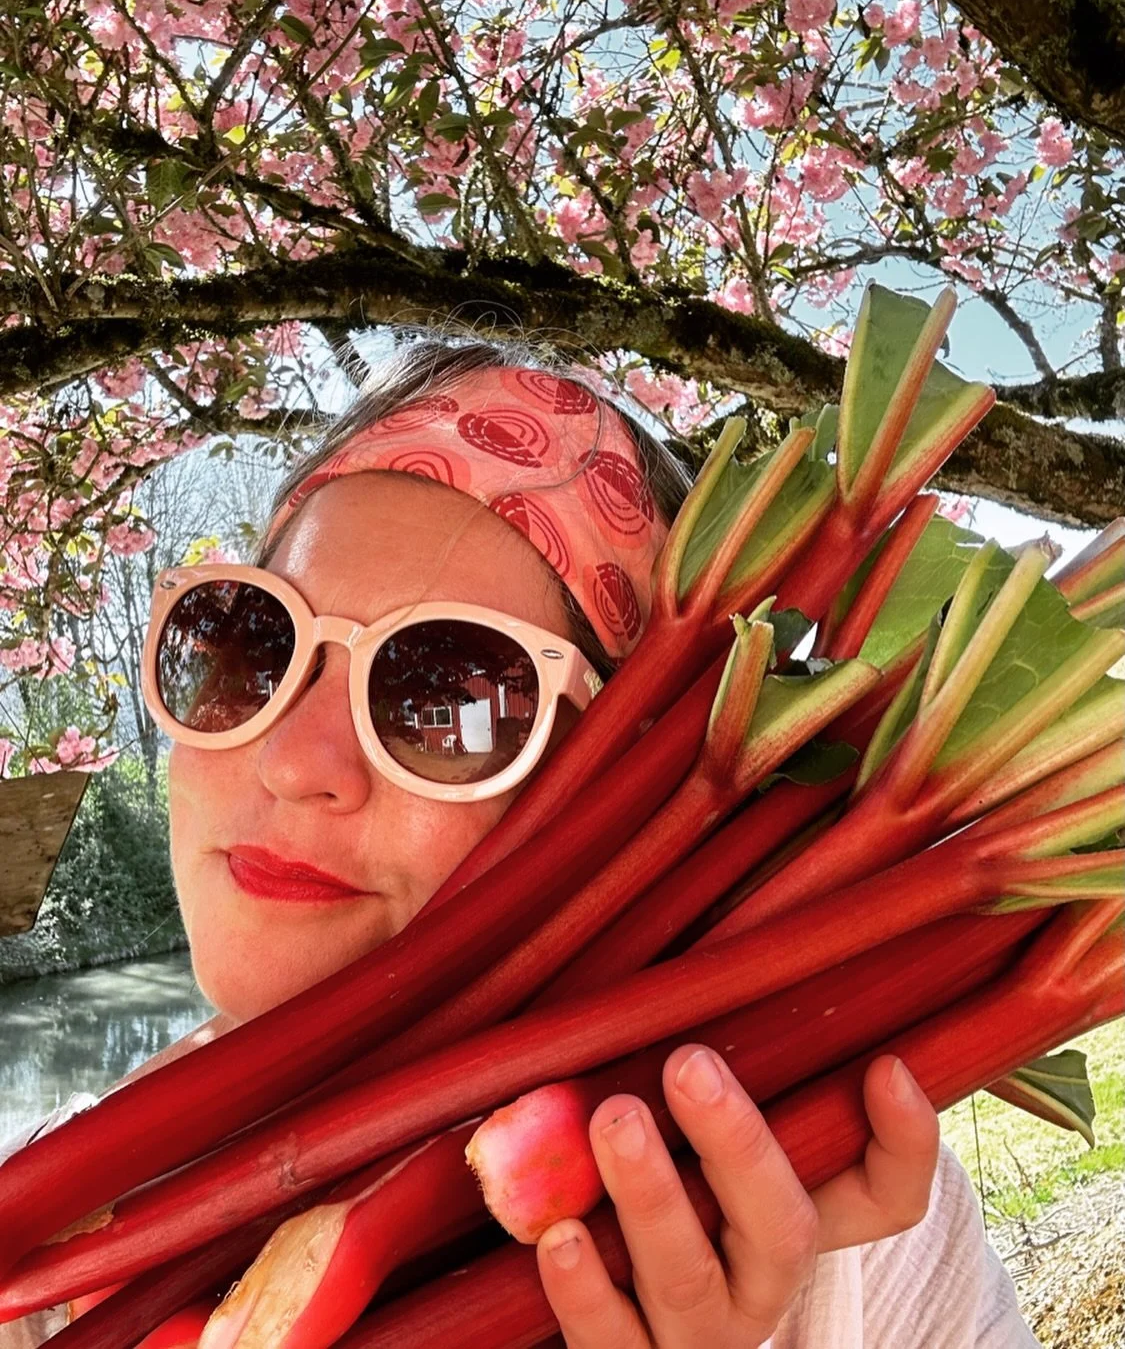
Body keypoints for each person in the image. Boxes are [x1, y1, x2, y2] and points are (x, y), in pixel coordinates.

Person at [0, 330, 1039, 1348]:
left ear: (617, 810)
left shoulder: (842, 1206)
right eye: (252, 646)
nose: (293, 758)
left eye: (447, 695)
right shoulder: (38, 1246)